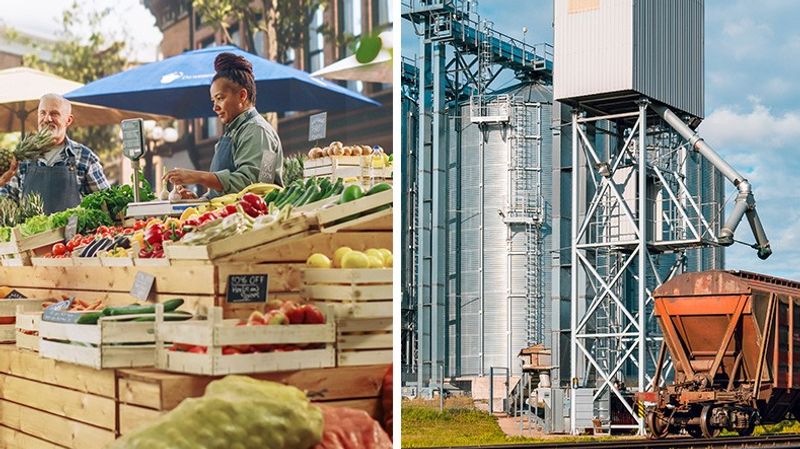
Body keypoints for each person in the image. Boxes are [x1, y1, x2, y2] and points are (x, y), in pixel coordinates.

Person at [165, 52, 284, 198]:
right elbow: (222, 194)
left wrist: (199, 177)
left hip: (250, 219)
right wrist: (199, 199)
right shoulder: (232, 132)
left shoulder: (258, 131)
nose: (215, 107)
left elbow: (256, 185)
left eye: (220, 98)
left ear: (242, 96)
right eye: (213, 101)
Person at [0, 93, 110, 214]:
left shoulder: (85, 158)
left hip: (74, 233)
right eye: (43, 113)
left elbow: (106, 204)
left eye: (54, 113)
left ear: (68, 120)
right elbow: (5, 203)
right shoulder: (22, 160)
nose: (47, 119)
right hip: (31, 233)